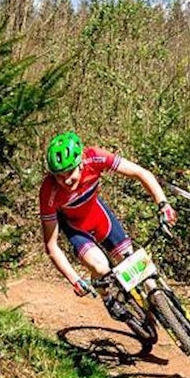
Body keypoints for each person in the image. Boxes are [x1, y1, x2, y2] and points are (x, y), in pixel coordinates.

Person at [38, 131, 177, 319]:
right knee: (101, 267)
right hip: (76, 228)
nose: (66, 180)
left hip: (97, 214)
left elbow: (140, 173)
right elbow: (51, 245)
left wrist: (163, 203)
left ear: (80, 162)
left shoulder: (95, 157)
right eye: (59, 176)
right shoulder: (48, 192)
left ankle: (166, 309)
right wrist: (74, 279)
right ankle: (108, 298)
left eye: (70, 172)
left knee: (134, 261)